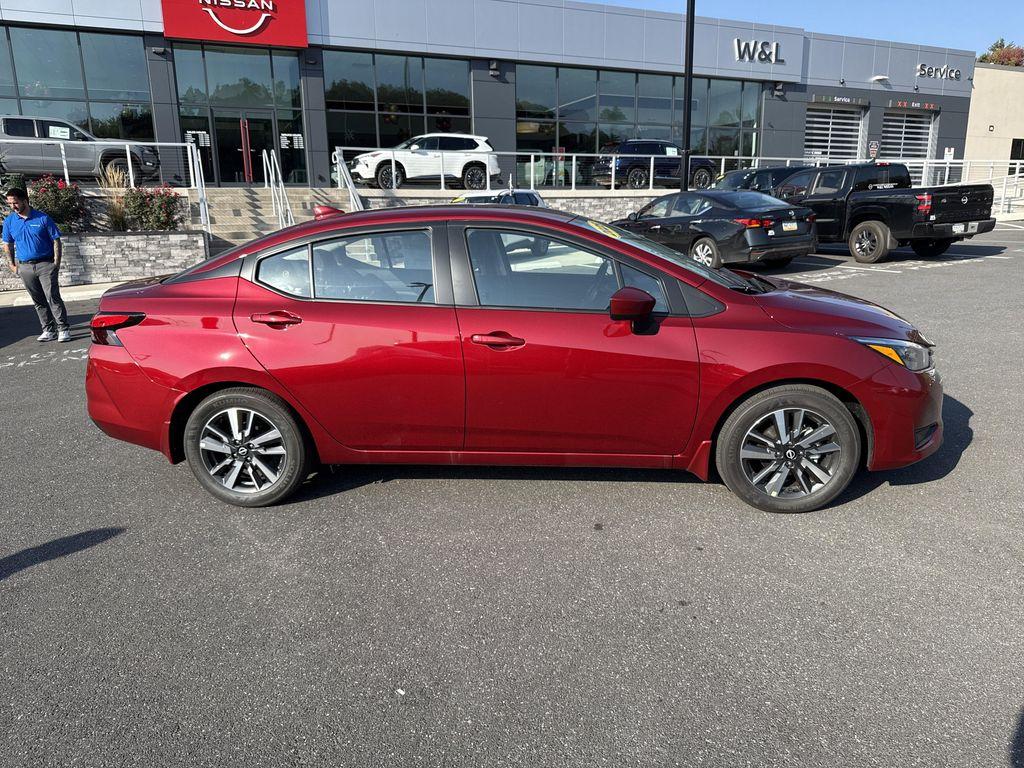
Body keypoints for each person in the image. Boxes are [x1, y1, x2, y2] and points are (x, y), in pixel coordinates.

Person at [3, 187, 70, 342]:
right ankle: (48, 330)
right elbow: (8, 244)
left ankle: (63, 328)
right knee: (38, 300)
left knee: (52, 297)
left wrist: (56, 264)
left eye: (15, 203)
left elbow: (56, 240)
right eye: (10, 204)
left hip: (45, 264)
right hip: (25, 266)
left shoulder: (42, 218)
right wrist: (12, 265)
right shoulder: (9, 221)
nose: (13, 207)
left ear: (25, 200)